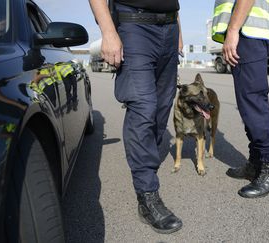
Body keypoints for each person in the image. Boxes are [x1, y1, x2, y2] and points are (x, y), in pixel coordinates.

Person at [89, 0, 183, 234]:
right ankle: (147, 195)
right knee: (143, 107)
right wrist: (108, 31)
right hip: (134, 26)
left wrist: (178, 31)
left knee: (162, 108)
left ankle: (146, 167)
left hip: (169, 27)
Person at [212, 0, 269, 198]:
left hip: (247, 31)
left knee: (253, 103)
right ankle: (256, 164)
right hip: (248, 31)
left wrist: (233, 29)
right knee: (248, 104)